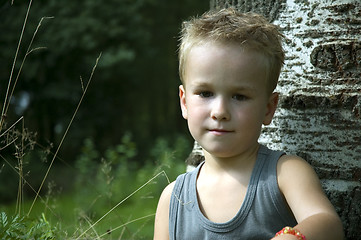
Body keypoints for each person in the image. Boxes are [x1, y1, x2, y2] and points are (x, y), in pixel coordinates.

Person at [154, 7, 344, 240]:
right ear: (184, 102)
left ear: (268, 108)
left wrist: (291, 237)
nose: (220, 112)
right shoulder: (173, 199)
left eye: (239, 96)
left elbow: (328, 224)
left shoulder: (284, 174)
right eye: (205, 93)